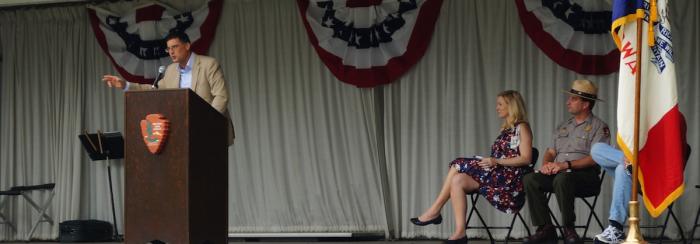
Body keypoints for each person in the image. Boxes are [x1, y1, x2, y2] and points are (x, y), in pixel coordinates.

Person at [410, 90, 534, 244]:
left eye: (500, 104)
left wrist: (496, 161)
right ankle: (460, 233)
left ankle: (434, 210)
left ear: (512, 106)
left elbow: (526, 158)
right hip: (496, 175)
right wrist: (492, 162)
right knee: (457, 180)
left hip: (508, 184)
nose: (497, 107)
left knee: (458, 163)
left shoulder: (522, 127)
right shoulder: (505, 129)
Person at [103, 31, 234, 145]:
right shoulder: (171, 70)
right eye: (168, 48)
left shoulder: (208, 64)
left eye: (175, 47)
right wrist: (125, 85)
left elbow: (221, 96)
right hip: (182, 133)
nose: (171, 52)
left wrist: (206, 121)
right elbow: (154, 90)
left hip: (209, 131)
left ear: (187, 45)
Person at [522, 79, 610, 244]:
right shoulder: (563, 126)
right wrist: (547, 164)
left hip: (586, 178)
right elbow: (550, 152)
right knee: (530, 179)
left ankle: (568, 228)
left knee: (564, 178)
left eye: (573, 99)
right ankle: (545, 228)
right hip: (559, 175)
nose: (568, 101)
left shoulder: (599, 127)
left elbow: (595, 158)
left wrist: (566, 165)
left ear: (585, 104)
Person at [591, 115, 688, 244]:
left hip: (655, 178)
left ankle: (616, 227)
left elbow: (671, 156)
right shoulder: (645, 114)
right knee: (597, 149)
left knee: (622, 169)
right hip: (636, 172)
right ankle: (631, 165)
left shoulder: (673, 115)